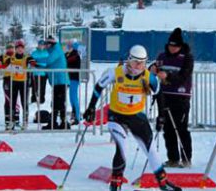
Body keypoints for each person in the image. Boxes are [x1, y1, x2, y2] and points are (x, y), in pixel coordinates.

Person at [83, 45, 181, 191]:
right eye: (136, 62)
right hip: (116, 116)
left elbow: (159, 94)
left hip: (136, 116)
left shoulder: (148, 76)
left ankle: (163, 183)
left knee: (151, 150)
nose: (139, 66)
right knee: (122, 148)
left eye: (142, 62)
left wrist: (161, 116)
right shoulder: (116, 72)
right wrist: (91, 107)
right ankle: (115, 184)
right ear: (129, 60)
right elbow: (98, 87)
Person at [152, 27, 194, 168]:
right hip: (164, 96)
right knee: (168, 129)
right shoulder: (162, 56)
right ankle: (173, 159)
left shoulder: (187, 58)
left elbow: (183, 76)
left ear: (180, 46)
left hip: (181, 97)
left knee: (181, 128)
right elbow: (154, 67)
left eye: (175, 46)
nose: (172, 49)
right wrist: (152, 69)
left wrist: (168, 76)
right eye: (170, 46)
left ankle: (186, 159)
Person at [1, 40, 35, 130]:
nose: (20, 50)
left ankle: (25, 122)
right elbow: (4, 65)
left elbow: (32, 61)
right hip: (14, 82)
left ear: (23, 49)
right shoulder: (11, 57)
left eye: (21, 48)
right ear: (16, 49)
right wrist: (0, 64)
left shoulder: (26, 57)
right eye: (18, 48)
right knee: (12, 102)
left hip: (24, 82)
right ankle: (11, 122)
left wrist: (32, 63)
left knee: (24, 103)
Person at [43, 36, 70, 130]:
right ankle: (58, 122)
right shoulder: (52, 51)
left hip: (61, 81)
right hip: (57, 81)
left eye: (47, 44)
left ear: (51, 44)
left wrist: (35, 62)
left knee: (59, 102)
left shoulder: (56, 50)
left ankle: (61, 122)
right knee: (56, 102)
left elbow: (48, 61)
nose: (45, 46)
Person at [65, 40, 81, 126]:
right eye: (68, 45)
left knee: (74, 98)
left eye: (70, 45)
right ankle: (74, 114)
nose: (68, 47)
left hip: (74, 78)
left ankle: (77, 116)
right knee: (71, 98)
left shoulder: (75, 55)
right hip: (69, 78)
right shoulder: (68, 54)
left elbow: (67, 61)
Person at [30, 40, 49, 105]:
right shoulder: (34, 53)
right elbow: (31, 62)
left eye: (43, 45)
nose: (41, 46)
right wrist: (37, 65)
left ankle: (42, 100)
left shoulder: (47, 53)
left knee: (43, 87)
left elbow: (48, 62)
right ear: (38, 45)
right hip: (35, 73)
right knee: (35, 87)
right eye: (40, 44)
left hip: (44, 73)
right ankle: (34, 99)